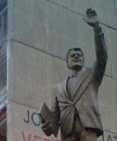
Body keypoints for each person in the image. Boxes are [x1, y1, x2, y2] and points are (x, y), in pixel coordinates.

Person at [41, 9, 108, 141]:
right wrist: (47, 123)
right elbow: (55, 116)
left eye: (79, 55)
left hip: (88, 127)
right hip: (68, 131)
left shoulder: (92, 75)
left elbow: (102, 57)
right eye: (73, 55)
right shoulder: (57, 88)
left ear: (83, 60)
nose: (76, 56)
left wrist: (97, 29)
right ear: (67, 61)